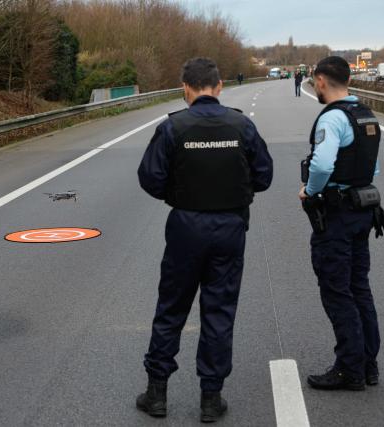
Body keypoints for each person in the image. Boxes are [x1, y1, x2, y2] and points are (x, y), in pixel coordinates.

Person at [136, 57, 273, 422]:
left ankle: (157, 394)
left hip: (185, 226)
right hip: (229, 228)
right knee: (219, 312)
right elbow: (264, 176)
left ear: (185, 88)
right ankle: (210, 399)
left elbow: (149, 178)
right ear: (219, 85)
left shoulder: (173, 128)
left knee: (171, 309)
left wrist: (179, 194)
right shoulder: (242, 125)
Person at [300, 56, 384, 391]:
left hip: (336, 216)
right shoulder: (366, 114)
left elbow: (322, 165)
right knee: (359, 288)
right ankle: (368, 364)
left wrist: (309, 191)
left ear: (321, 80)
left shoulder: (334, 118)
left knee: (337, 291)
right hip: (363, 211)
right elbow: (373, 167)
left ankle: (349, 369)